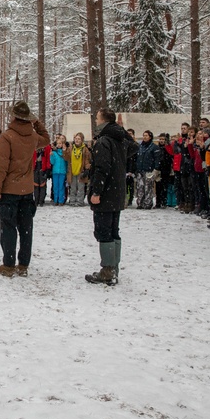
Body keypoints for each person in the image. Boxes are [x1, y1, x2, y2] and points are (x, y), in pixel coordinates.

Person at [0, 101, 49, 276]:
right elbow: (46, 139)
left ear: (14, 116)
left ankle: (8, 265)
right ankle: (23, 264)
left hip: (9, 189)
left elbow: (1, 166)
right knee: (26, 228)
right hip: (26, 190)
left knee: (8, 227)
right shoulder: (32, 136)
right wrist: (37, 122)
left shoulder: (7, 136)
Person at [85, 109, 138, 286]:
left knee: (104, 231)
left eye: (98, 118)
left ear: (103, 121)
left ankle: (107, 270)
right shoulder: (120, 140)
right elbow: (134, 146)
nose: (95, 120)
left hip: (106, 193)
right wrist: (121, 130)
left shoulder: (104, 142)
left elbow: (102, 169)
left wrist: (96, 192)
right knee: (114, 230)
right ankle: (113, 267)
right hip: (117, 192)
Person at [135, 130, 161, 209]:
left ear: (150, 137)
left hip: (149, 170)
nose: (145, 137)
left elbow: (157, 159)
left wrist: (156, 169)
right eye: (144, 135)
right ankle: (140, 203)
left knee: (148, 187)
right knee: (140, 187)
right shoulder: (140, 146)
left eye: (146, 135)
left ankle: (148, 203)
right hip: (140, 169)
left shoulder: (154, 147)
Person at [67, 132, 91, 207]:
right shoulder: (71, 148)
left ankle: (80, 201)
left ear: (82, 140)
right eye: (76, 139)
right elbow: (66, 157)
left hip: (81, 170)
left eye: (79, 139)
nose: (77, 140)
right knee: (73, 187)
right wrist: (64, 151)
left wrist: (87, 169)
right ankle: (72, 200)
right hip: (72, 170)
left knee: (81, 187)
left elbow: (87, 160)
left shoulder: (85, 149)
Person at [49, 136, 68, 205]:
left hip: (62, 172)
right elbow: (52, 162)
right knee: (55, 187)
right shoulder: (54, 153)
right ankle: (55, 200)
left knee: (61, 187)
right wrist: (51, 156)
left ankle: (61, 201)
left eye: (60, 143)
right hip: (55, 172)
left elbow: (66, 162)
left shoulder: (64, 153)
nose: (59, 144)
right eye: (58, 143)